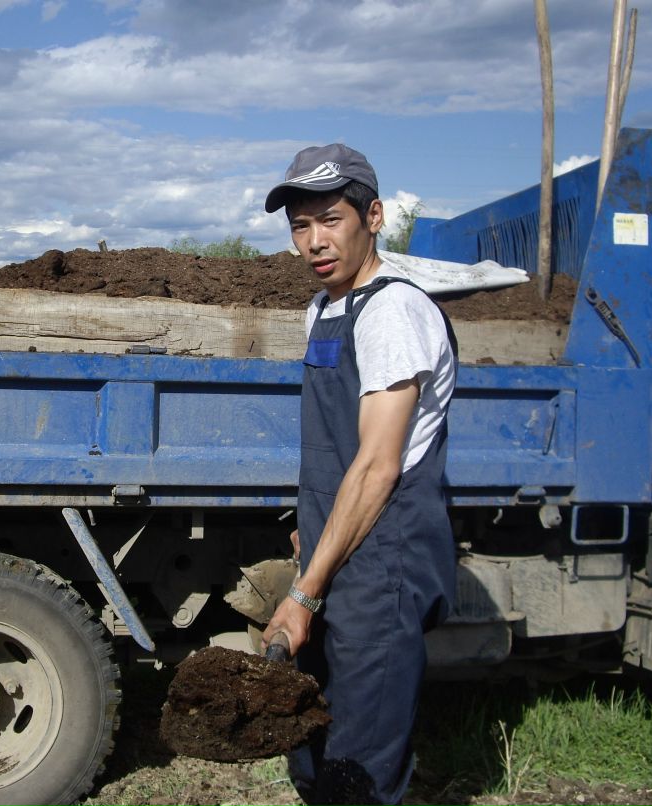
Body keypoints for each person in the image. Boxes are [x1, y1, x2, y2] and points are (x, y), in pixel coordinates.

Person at [261, 144, 458, 806]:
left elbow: (376, 467)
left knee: (360, 767)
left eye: (330, 219)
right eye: (299, 225)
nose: (314, 241)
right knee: (315, 751)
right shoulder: (322, 310)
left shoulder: (392, 313)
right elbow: (332, 446)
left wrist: (304, 593)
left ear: (372, 216)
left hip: (383, 561)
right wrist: (310, 538)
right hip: (340, 551)